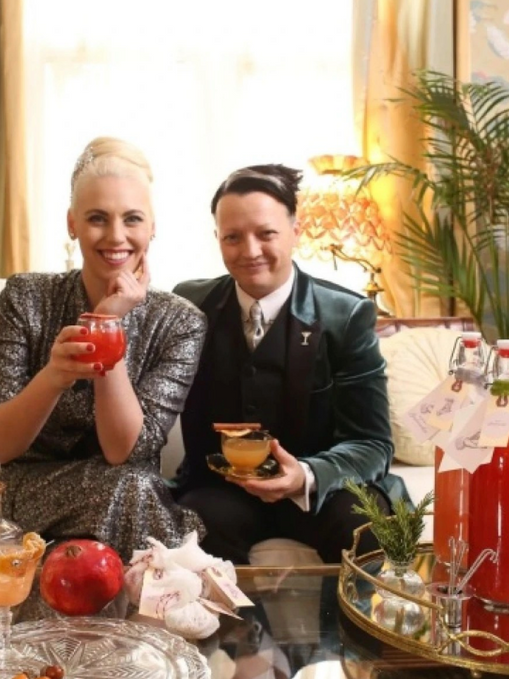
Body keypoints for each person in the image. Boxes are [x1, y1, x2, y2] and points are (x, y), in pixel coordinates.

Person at [0, 137, 206, 560]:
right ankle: (152, 607)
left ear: (152, 226)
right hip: (8, 482)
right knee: (133, 495)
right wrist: (55, 376)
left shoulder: (181, 321)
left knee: (132, 487)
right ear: (72, 223)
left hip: (116, 486)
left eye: (132, 219)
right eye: (97, 218)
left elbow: (123, 452)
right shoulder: (26, 296)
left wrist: (107, 325)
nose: (116, 236)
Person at [172, 163, 408, 565]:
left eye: (266, 234)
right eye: (233, 237)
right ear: (218, 239)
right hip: (222, 490)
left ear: (296, 232)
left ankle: (343, 631)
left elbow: (373, 442)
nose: (250, 251)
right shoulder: (190, 305)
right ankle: (240, 631)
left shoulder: (346, 315)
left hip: (324, 489)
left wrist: (306, 475)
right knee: (196, 522)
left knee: (362, 524)